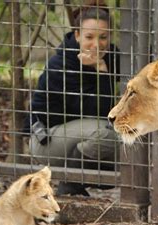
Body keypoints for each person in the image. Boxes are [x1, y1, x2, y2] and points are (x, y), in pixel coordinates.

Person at [23, 0, 120, 196]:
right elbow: (99, 110)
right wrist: (101, 71)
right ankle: (70, 181)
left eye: (103, 37)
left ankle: (91, 178)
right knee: (109, 134)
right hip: (47, 140)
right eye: (89, 37)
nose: (97, 44)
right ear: (77, 35)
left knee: (130, 138)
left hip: (81, 134)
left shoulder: (111, 55)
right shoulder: (60, 65)